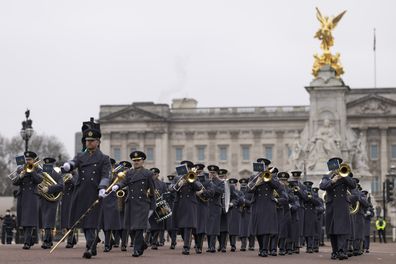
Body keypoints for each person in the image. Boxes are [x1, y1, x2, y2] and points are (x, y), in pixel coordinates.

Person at [62, 128, 111, 258]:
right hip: (80, 192)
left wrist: (103, 187)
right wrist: (68, 165)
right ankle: (92, 244)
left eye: (91, 140)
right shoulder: (81, 156)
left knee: (90, 221)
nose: (88, 143)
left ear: (98, 142)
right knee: (82, 220)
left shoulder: (103, 158)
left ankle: (90, 246)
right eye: (86, 141)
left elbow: (106, 175)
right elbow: (74, 162)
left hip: (94, 192)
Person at [111, 151, 155, 257]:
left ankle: (136, 249)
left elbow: (152, 190)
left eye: (138, 160)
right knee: (131, 227)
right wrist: (117, 186)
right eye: (134, 161)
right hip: (130, 202)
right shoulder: (129, 173)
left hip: (142, 203)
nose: (136, 162)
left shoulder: (148, 173)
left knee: (139, 227)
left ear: (143, 161)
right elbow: (124, 182)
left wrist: (152, 206)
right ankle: (142, 243)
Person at [320, 157, 356, 260]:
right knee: (332, 230)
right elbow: (322, 186)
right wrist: (333, 180)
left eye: (338, 166)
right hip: (331, 205)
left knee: (342, 229)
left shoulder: (345, 174)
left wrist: (343, 177)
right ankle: (335, 251)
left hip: (342, 205)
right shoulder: (327, 176)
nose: (336, 169)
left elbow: (353, 185)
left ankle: (342, 251)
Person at [248, 158, 282, 257]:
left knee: (266, 228)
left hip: (268, 204)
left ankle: (264, 249)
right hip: (257, 203)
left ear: (267, 167)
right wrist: (256, 184)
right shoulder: (253, 177)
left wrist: (268, 177)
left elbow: (278, 187)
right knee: (259, 228)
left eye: (264, 166)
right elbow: (248, 190)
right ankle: (261, 247)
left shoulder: (271, 176)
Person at [170, 160, 203, 255]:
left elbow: (199, 187)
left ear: (189, 168)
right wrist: (178, 184)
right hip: (179, 203)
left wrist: (191, 181)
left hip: (190, 203)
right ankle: (190, 243)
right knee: (180, 227)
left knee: (188, 226)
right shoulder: (177, 178)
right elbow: (170, 188)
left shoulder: (194, 176)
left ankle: (187, 247)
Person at [12, 151, 43, 249]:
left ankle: (26, 242)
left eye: (29, 159)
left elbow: (39, 180)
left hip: (32, 196)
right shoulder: (20, 168)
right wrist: (21, 176)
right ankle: (29, 240)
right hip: (22, 196)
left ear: (34, 160)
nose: (28, 161)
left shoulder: (38, 169)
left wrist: (32, 171)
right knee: (23, 220)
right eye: (27, 159)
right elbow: (14, 182)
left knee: (29, 220)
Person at [39, 157, 64, 249]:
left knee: (49, 221)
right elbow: (37, 184)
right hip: (43, 199)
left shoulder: (57, 175)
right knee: (45, 221)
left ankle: (46, 241)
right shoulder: (41, 174)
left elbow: (62, 186)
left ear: (52, 165)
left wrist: (49, 189)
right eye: (46, 165)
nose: (47, 167)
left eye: (49, 165)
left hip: (52, 200)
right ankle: (48, 241)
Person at [98, 158, 122, 252]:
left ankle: (107, 244)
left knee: (108, 224)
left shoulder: (116, 174)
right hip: (102, 200)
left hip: (111, 200)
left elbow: (121, 183)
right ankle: (111, 240)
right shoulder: (102, 174)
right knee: (102, 224)